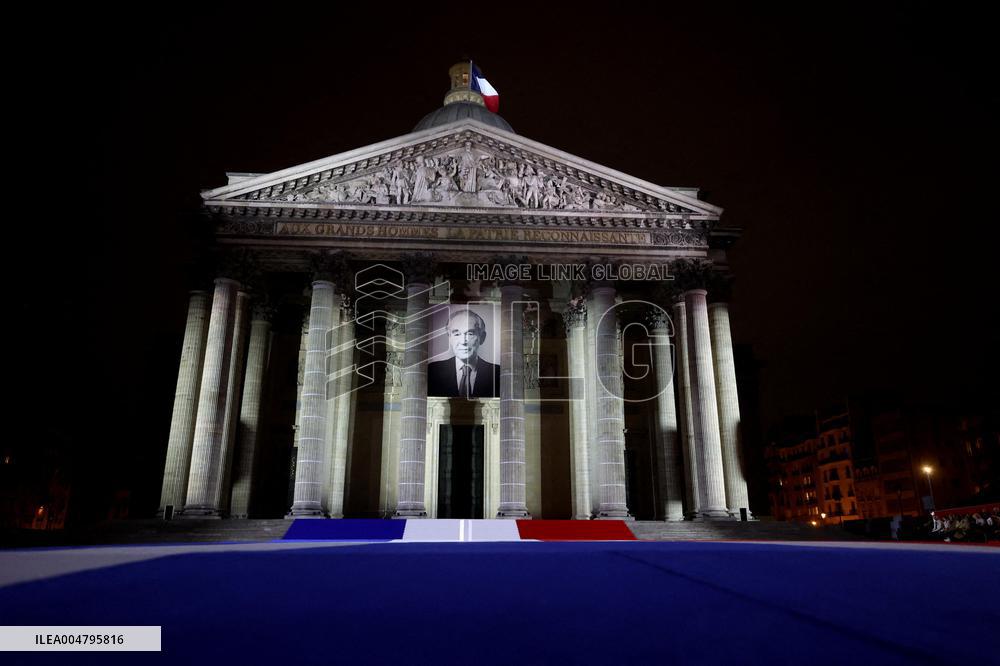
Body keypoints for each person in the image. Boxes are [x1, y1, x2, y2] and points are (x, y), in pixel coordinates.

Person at [427, 308, 500, 398]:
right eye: (457, 334)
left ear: (482, 338)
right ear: (449, 338)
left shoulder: (498, 374)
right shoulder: (432, 371)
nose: (463, 341)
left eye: (470, 333)